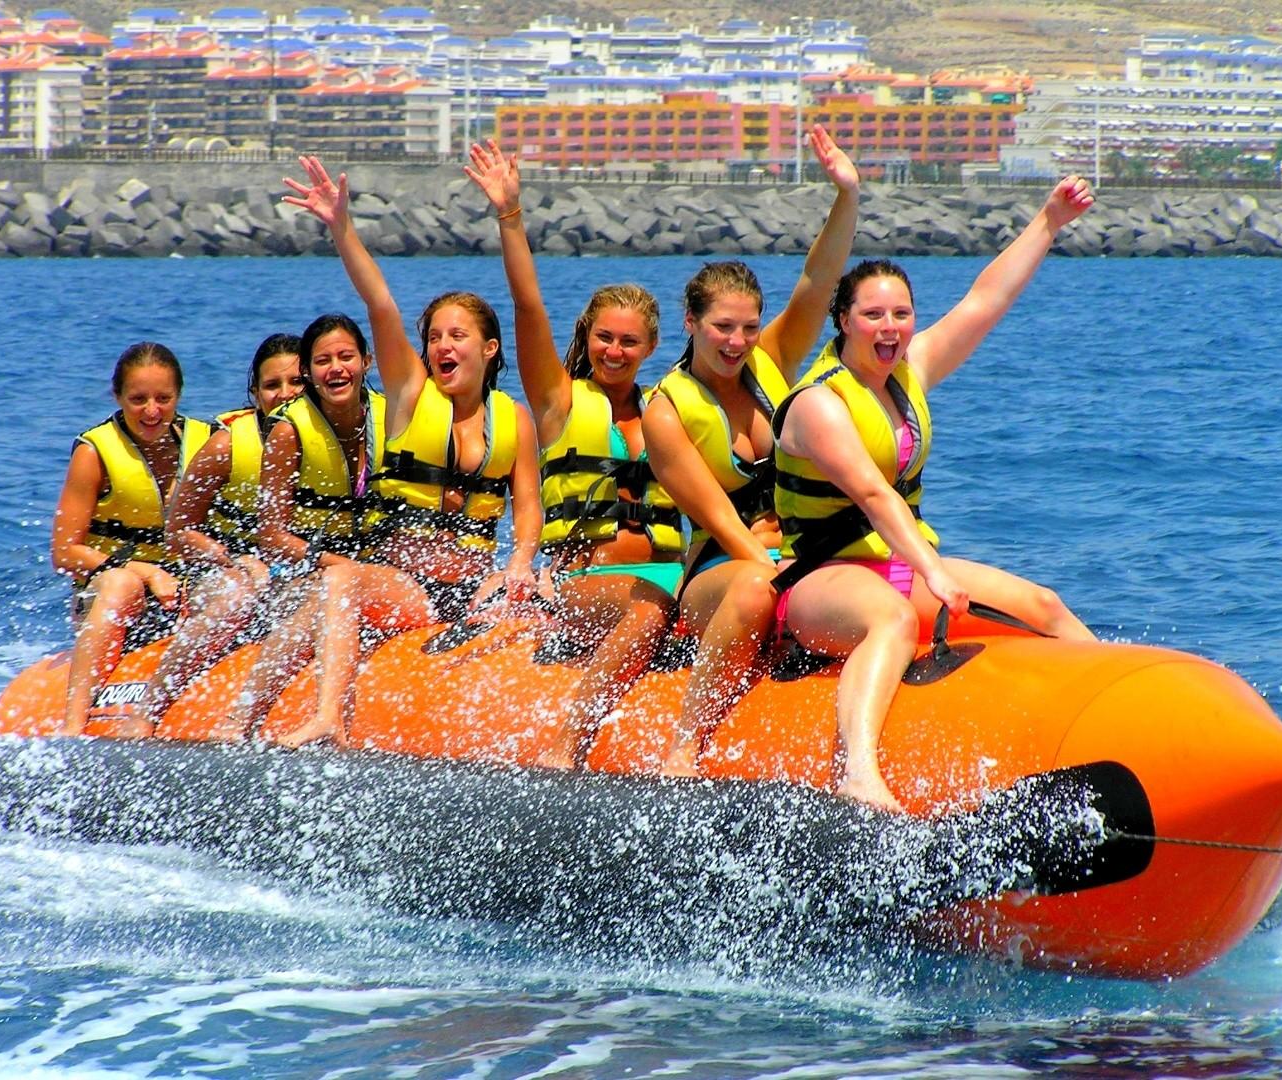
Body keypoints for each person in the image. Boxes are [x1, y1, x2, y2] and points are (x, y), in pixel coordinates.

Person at [769, 176, 1098, 811]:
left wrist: (1049, 222)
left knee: (1043, 605)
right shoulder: (818, 403)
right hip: (819, 576)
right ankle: (857, 771)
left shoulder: (908, 372)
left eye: (901, 314)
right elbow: (872, 493)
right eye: (872, 315)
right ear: (843, 321)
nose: (889, 328)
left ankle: (1126, 711)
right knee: (890, 621)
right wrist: (933, 572)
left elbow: (982, 302)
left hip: (896, 564)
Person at [240, 157, 541, 748]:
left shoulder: (516, 421)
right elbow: (380, 303)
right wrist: (341, 227)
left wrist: (520, 563)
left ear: (489, 348)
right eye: (434, 338)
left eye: (457, 336)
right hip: (404, 584)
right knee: (340, 582)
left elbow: (527, 508)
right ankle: (328, 715)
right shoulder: (410, 394)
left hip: (475, 584)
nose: (442, 346)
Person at [642, 125, 859, 775]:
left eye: (744, 327)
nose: (735, 342)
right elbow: (719, 520)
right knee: (759, 588)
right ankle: (684, 744)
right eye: (720, 328)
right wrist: (789, 574)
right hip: (722, 571)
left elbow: (818, 282)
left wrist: (846, 195)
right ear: (690, 324)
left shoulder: (769, 361)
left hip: (793, 551)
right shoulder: (666, 409)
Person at [465, 139, 684, 769]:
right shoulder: (559, 402)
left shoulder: (667, 407)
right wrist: (510, 218)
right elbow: (529, 307)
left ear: (650, 347)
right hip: (585, 586)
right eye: (605, 338)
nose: (615, 351)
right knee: (650, 607)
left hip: (672, 572)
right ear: (587, 335)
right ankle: (568, 746)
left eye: (630, 343)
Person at [220, 312, 389, 741]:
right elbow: (271, 535)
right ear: (310, 373)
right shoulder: (289, 431)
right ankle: (240, 719)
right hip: (303, 579)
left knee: (341, 586)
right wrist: (335, 565)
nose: (336, 369)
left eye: (346, 356)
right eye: (322, 361)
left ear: (367, 361)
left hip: (375, 577)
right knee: (330, 591)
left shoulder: (393, 417)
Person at [136, 333, 306, 729]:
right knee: (236, 597)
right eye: (271, 385)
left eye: (296, 382)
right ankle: (147, 712)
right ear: (255, 394)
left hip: (291, 575)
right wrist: (235, 560)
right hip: (221, 573)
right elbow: (179, 532)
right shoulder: (226, 447)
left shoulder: (336, 441)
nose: (285, 394)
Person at [51, 342, 213, 736]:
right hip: (111, 593)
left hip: (183, 592)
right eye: (138, 399)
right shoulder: (94, 452)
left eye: (164, 398)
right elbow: (64, 553)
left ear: (179, 396)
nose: (152, 411)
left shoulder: (207, 442)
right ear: (118, 396)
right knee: (123, 584)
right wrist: (144, 571)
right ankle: (73, 728)